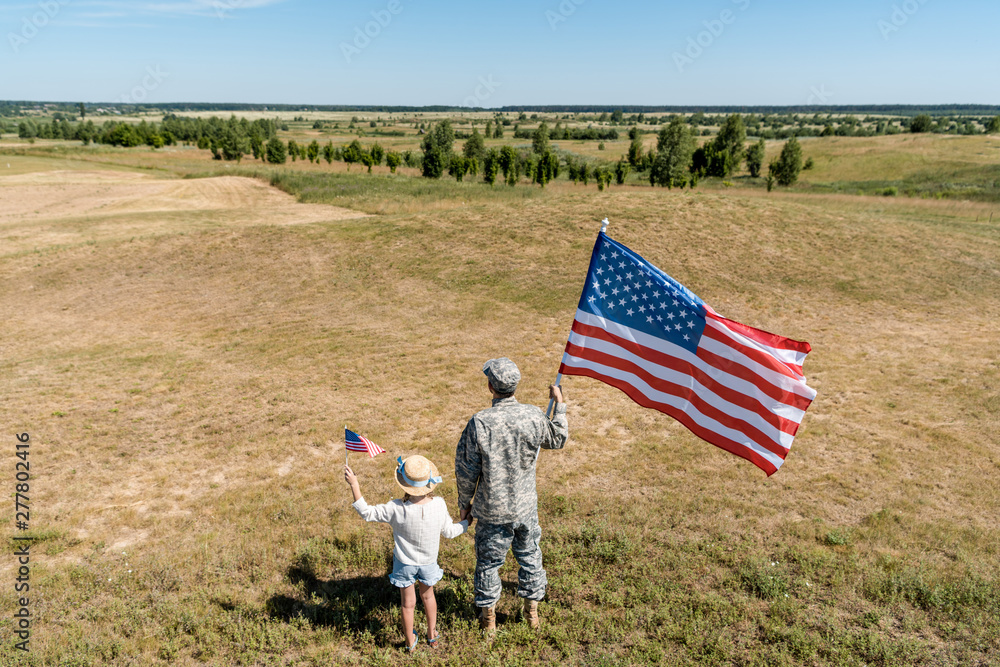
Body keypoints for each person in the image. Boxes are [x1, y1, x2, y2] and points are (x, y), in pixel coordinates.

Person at [455, 357, 568, 633]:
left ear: (490, 387)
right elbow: (558, 438)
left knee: (488, 564)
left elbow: (466, 469)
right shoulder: (532, 415)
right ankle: (532, 614)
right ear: (515, 386)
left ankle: (489, 620)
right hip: (525, 507)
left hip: (492, 511)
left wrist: (464, 504)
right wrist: (560, 404)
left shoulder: (480, 423)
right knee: (530, 556)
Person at [344, 454, 471, 652]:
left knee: (407, 604)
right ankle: (432, 633)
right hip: (428, 562)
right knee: (428, 597)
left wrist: (354, 484)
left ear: (404, 484)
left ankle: (410, 641)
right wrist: (466, 523)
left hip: (404, 564)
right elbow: (449, 532)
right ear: (429, 484)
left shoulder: (395, 508)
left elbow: (367, 513)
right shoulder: (438, 505)